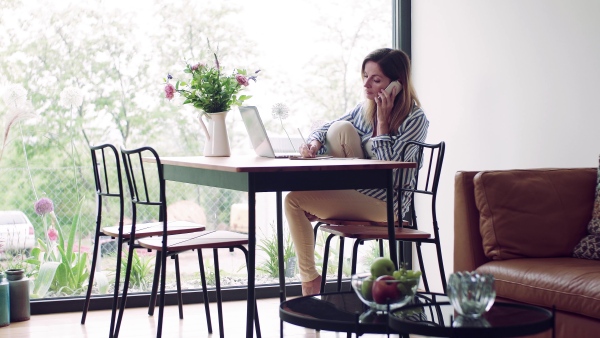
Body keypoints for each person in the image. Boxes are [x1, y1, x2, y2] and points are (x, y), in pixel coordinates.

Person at [284, 48, 429, 296]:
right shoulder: (365, 109)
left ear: (397, 84)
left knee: (293, 200)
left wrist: (382, 125)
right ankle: (338, 216)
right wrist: (314, 143)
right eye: (365, 76)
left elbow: (392, 174)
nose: (367, 84)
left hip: (387, 202)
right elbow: (327, 126)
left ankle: (309, 281)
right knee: (341, 128)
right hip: (358, 191)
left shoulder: (415, 119)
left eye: (376, 79)